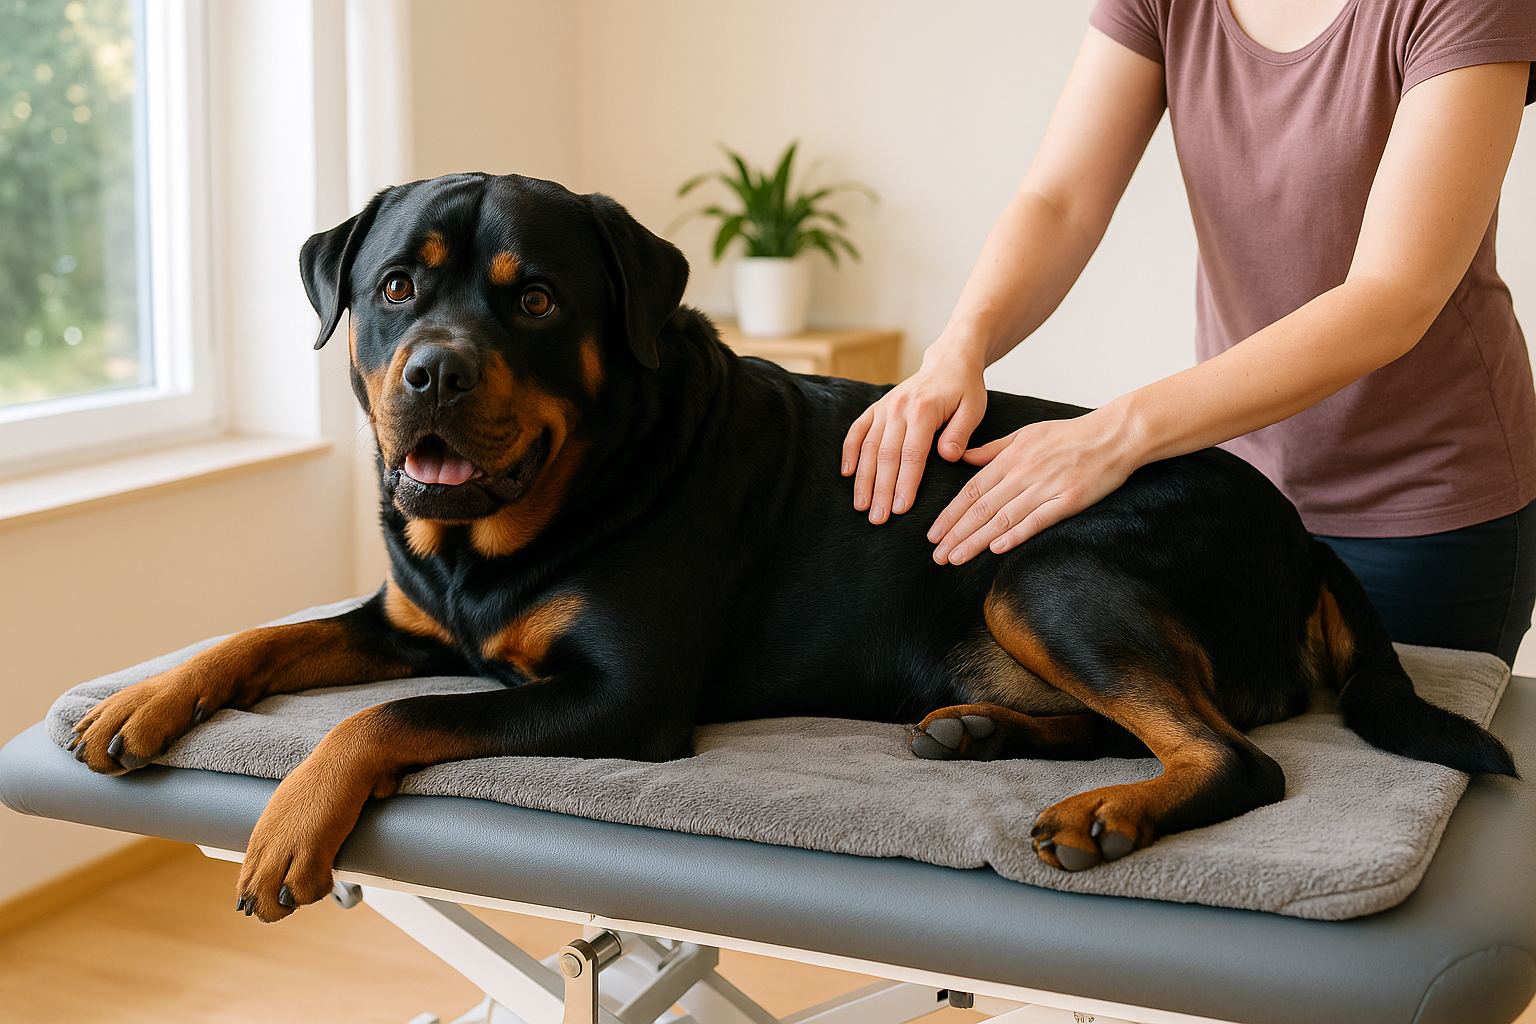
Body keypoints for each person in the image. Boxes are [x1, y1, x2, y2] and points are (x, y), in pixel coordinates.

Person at [842, 0, 1536, 664]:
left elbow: (1393, 295)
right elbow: (1061, 202)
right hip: (1242, 497)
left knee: (1410, 780)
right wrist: (958, 349)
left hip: (1427, 513)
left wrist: (1115, 435)